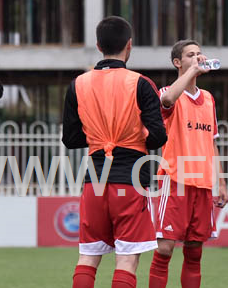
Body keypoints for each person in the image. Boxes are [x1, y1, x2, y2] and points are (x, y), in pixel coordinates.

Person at [61, 16, 168, 288]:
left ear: (98, 46)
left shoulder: (78, 84)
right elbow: (158, 137)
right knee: (127, 259)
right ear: (129, 45)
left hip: (94, 181)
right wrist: (132, 134)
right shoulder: (142, 83)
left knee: (88, 256)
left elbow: (71, 139)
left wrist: (100, 137)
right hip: (131, 181)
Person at [147, 39, 228, 288]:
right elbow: (167, 101)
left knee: (195, 252)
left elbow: (212, 143)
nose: (198, 57)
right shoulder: (167, 92)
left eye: (199, 53)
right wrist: (193, 71)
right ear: (177, 62)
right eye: (191, 55)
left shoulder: (208, 98)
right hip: (175, 181)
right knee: (164, 248)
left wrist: (221, 183)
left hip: (203, 185)